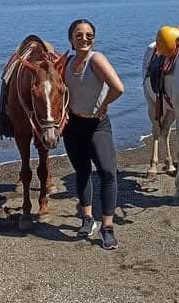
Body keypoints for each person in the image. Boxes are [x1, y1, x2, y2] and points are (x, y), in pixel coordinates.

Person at [62, 19, 124, 249]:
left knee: (108, 172)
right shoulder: (67, 62)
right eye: (79, 35)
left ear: (94, 39)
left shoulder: (96, 59)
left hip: (97, 125)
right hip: (73, 125)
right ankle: (87, 219)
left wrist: (103, 106)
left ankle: (107, 227)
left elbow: (118, 87)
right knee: (82, 171)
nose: (84, 38)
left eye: (88, 35)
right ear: (71, 39)